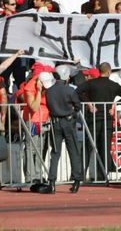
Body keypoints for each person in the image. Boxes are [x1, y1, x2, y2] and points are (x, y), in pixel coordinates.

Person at [44, 65, 83, 193]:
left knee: (55, 153)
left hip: (55, 123)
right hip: (68, 122)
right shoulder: (70, 90)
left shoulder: (49, 90)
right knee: (73, 151)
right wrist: (72, 112)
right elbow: (78, 105)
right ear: (66, 76)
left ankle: (52, 182)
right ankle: (77, 181)